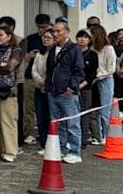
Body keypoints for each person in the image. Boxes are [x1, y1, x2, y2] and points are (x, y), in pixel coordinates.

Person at [46, 19, 86, 163]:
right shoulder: (53, 50)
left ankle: (75, 151)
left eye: (59, 31)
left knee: (72, 123)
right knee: (58, 123)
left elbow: (79, 71)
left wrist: (71, 87)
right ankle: (61, 148)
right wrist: (48, 87)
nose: (55, 34)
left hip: (67, 93)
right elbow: (49, 70)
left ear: (67, 32)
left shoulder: (74, 49)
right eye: (54, 31)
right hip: (53, 92)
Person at [0, 25, 22, 162]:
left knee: (8, 121)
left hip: (8, 91)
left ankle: (10, 151)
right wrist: (0, 65)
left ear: (9, 36)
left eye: (1, 35)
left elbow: (10, 67)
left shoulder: (16, 50)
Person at [21, 14, 51, 145]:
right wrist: (31, 55)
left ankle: (46, 132)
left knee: (46, 108)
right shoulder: (31, 39)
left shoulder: (53, 38)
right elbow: (25, 57)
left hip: (47, 78)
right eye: (38, 27)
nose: (41, 30)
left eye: (43, 27)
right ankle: (30, 133)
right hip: (30, 76)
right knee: (29, 107)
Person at [91, 26, 117, 145]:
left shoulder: (109, 49)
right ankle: (97, 134)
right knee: (95, 109)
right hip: (93, 81)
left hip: (105, 80)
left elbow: (111, 69)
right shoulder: (92, 49)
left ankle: (106, 134)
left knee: (105, 110)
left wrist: (97, 76)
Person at [30, 28, 55, 146]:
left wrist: (46, 83)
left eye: (48, 38)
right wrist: (39, 81)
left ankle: (51, 144)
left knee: (50, 116)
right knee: (40, 117)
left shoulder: (55, 53)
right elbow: (34, 69)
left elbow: (52, 71)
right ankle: (43, 143)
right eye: (44, 37)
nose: (45, 40)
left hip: (50, 88)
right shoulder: (40, 53)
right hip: (38, 87)